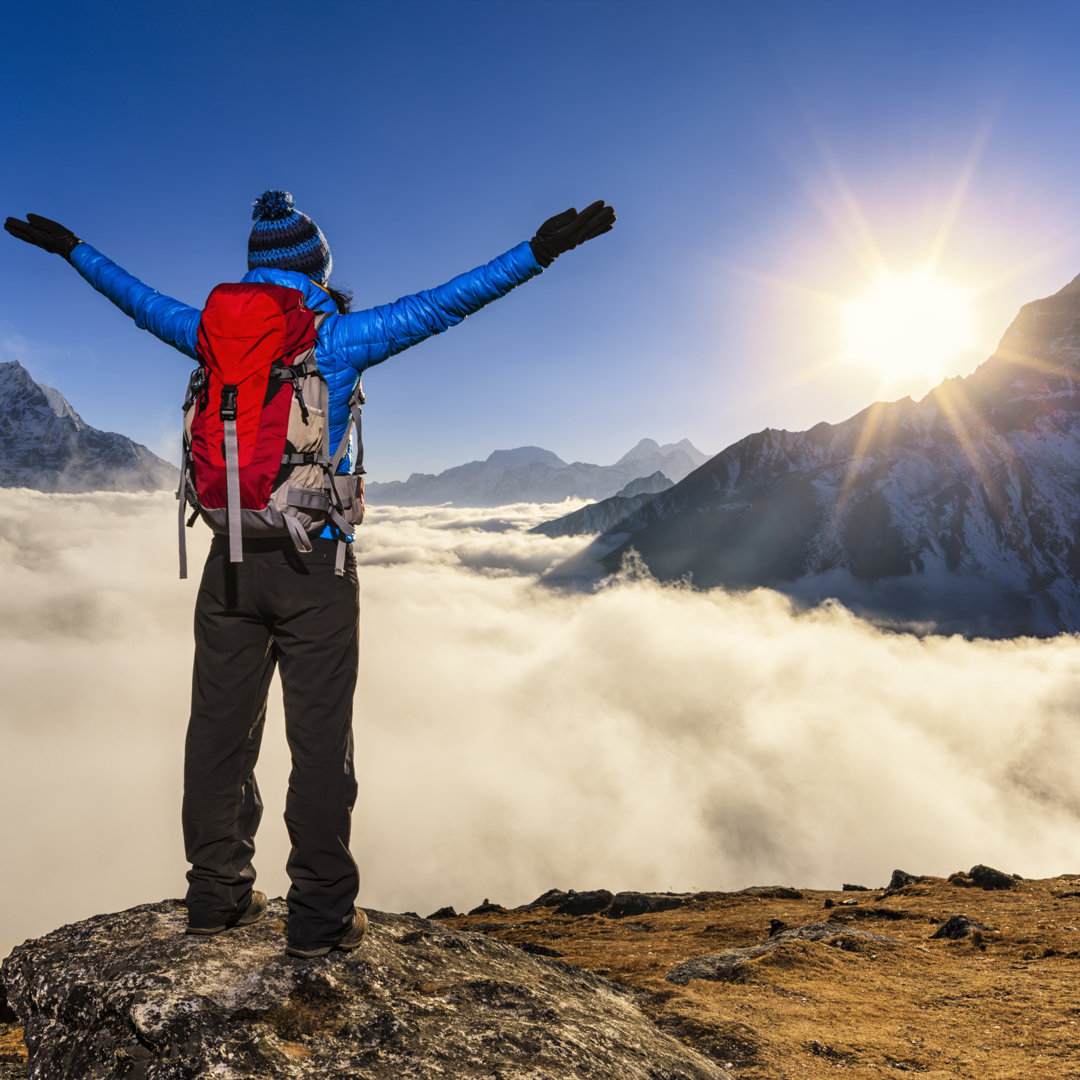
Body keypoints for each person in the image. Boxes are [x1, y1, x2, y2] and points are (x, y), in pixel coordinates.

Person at [4, 192, 616, 957]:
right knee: (320, 744)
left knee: (217, 736)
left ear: (255, 270)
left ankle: (215, 896)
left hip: (227, 563)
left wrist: (73, 249)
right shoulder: (337, 336)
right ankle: (321, 917)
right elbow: (449, 302)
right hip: (313, 564)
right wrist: (538, 250)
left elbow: (135, 301)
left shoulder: (208, 333)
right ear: (316, 268)